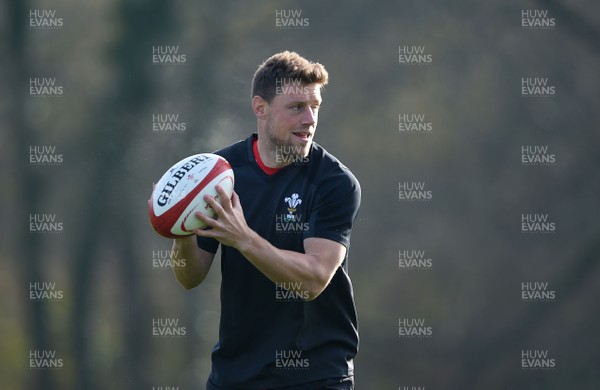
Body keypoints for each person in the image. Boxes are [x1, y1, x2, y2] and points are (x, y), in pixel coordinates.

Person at [171, 51, 361, 390]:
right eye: (296, 107)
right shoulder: (218, 174)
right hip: (234, 376)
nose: (310, 118)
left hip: (315, 377)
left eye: (314, 107)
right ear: (261, 108)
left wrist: (243, 238)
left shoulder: (334, 182)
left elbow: (314, 279)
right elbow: (190, 276)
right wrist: (180, 228)